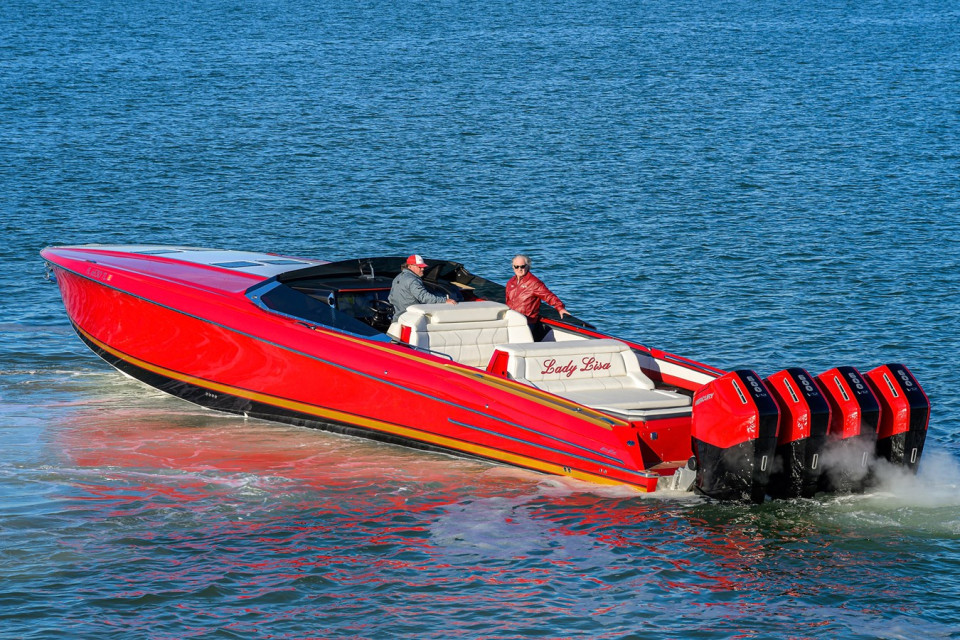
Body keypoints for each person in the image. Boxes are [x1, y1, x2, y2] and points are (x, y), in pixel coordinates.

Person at [505, 254, 569, 341]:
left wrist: (560, 307)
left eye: (522, 266)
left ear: (528, 267)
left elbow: (548, 296)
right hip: (512, 320)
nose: (519, 269)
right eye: (516, 266)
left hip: (527, 322)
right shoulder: (511, 282)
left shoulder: (534, 283)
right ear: (513, 267)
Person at [389, 254, 458, 318]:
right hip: (411, 316)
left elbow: (391, 298)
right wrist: (444, 300)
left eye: (423, 267)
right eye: (420, 267)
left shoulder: (397, 277)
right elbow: (425, 298)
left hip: (397, 316)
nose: (423, 269)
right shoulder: (413, 280)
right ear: (410, 266)